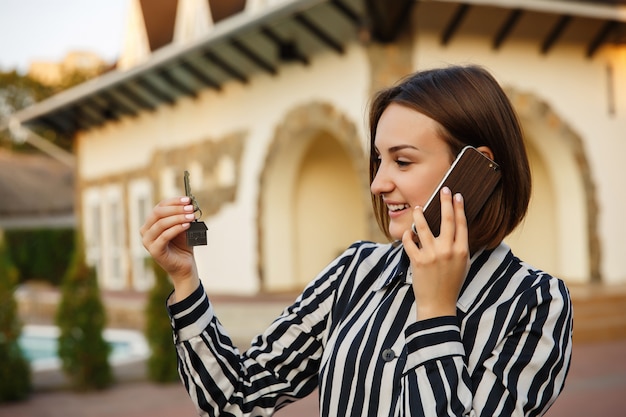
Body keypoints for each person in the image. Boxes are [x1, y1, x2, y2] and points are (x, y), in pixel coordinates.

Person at [140, 64, 573, 417]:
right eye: (378, 160)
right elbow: (236, 398)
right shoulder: (355, 270)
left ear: (476, 167)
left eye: (402, 161)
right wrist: (186, 281)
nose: (379, 183)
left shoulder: (536, 305)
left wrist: (436, 314)